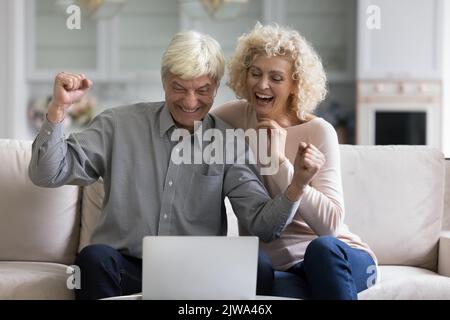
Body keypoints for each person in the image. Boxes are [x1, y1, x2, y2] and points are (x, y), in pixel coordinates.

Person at [28, 30, 308, 300]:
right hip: (127, 267)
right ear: (164, 81)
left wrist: (296, 186)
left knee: (257, 266)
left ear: (215, 88)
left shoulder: (229, 143)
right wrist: (58, 110)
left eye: (202, 90)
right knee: (93, 260)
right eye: (179, 88)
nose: (190, 101)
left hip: (197, 271)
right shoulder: (118, 125)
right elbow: (48, 173)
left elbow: (264, 225)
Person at [212, 23, 378, 300]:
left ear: (294, 85)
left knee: (321, 250)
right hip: (281, 270)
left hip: (335, 258)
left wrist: (281, 163)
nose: (262, 85)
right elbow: (189, 125)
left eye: (276, 78)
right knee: (260, 274)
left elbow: (331, 226)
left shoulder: (318, 131)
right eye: (255, 73)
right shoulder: (234, 118)